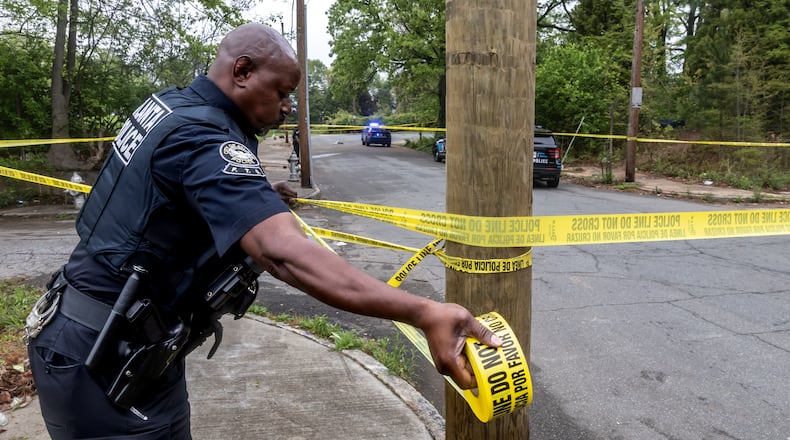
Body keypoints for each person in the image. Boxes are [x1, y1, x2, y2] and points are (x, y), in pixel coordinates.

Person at [25, 22, 500, 439]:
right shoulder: (205, 138)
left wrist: (252, 192)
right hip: (103, 359)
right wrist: (423, 311)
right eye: (282, 92)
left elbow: (156, 192)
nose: (288, 107)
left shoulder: (170, 106)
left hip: (121, 343)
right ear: (243, 71)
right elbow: (283, 253)